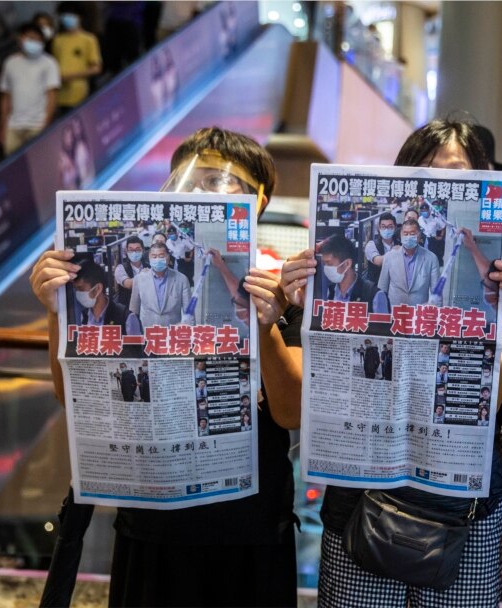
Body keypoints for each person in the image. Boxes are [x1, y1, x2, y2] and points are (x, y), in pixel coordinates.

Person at [30, 127, 303, 607]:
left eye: (222, 182)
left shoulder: (283, 290)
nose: (201, 192)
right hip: (151, 519)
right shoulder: (129, 285)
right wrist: (58, 310)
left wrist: (265, 325)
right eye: (188, 179)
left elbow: (290, 412)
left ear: (258, 202)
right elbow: (71, 394)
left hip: (249, 527)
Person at [280, 119, 502, 606]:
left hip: (464, 514)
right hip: (360, 501)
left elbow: (487, 395)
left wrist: (500, 316)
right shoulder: (372, 267)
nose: (437, 188)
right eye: (423, 174)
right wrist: (300, 299)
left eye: (456, 175)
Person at [0, 23, 60, 155]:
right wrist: (3, 125)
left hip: (38, 125)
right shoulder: (10, 63)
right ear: (20, 39)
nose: (34, 42)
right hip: (14, 125)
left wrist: (46, 123)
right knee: (12, 167)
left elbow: (52, 95)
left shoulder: (49, 63)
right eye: (30, 38)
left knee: (38, 164)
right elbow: (6, 97)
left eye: (38, 39)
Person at [377, 218, 443, 307]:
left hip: (420, 313)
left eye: (412, 234)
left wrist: (436, 315)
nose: (408, 237)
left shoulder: (431, 258)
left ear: (419, 236)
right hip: (394, 312)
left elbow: (436, 293)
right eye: (405, 234)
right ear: (400, 235)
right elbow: (382, 288)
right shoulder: (389, 257)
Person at [127, 241, 191, 332]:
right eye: (154, 256)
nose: (157, 259)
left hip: (173, 334)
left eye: (161, 256)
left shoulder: (181, 279)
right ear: (149, 259)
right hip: (147, 334)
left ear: (168, 258)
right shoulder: (139, 279)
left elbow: (189, 313)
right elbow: (133, 311)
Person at [51, 2, 101, 115]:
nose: (66, 18)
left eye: (70, 15)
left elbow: (96, 67)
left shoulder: (89, 39)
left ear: (80, 17)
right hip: (60, 95)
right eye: (63, 15)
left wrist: (72, 76)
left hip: (80, 93)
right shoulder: (57, 40)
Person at [319, 234, 389, 313]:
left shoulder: (374, 295)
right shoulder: (329, 292)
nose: (326, 268)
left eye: (329, 263)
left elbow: (381, 325)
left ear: (347, 264)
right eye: (324, 263)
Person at [72, 260, 137, 332]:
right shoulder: (84, 316)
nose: (78, 293)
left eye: (81, 288)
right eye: (76, 289)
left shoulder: (126, 318)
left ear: (98, 288)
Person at [365, 213, 399, 283]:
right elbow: (378, 261)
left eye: (390, 227)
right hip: (375, 286)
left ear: (395, 228)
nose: (386, 229)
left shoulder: (400, 244)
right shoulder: (371, 245)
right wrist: (393, 252)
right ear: (379, 228)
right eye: (383, 227)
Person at [114, 237, 147, 309]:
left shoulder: (149, 266)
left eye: (138, 250)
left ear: (143, 250)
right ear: (126, 251)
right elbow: (128, 284)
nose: (134, 252)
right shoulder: (120, 268)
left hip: (146, 308)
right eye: (131, 250)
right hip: (127, 309)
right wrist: (143, 275)